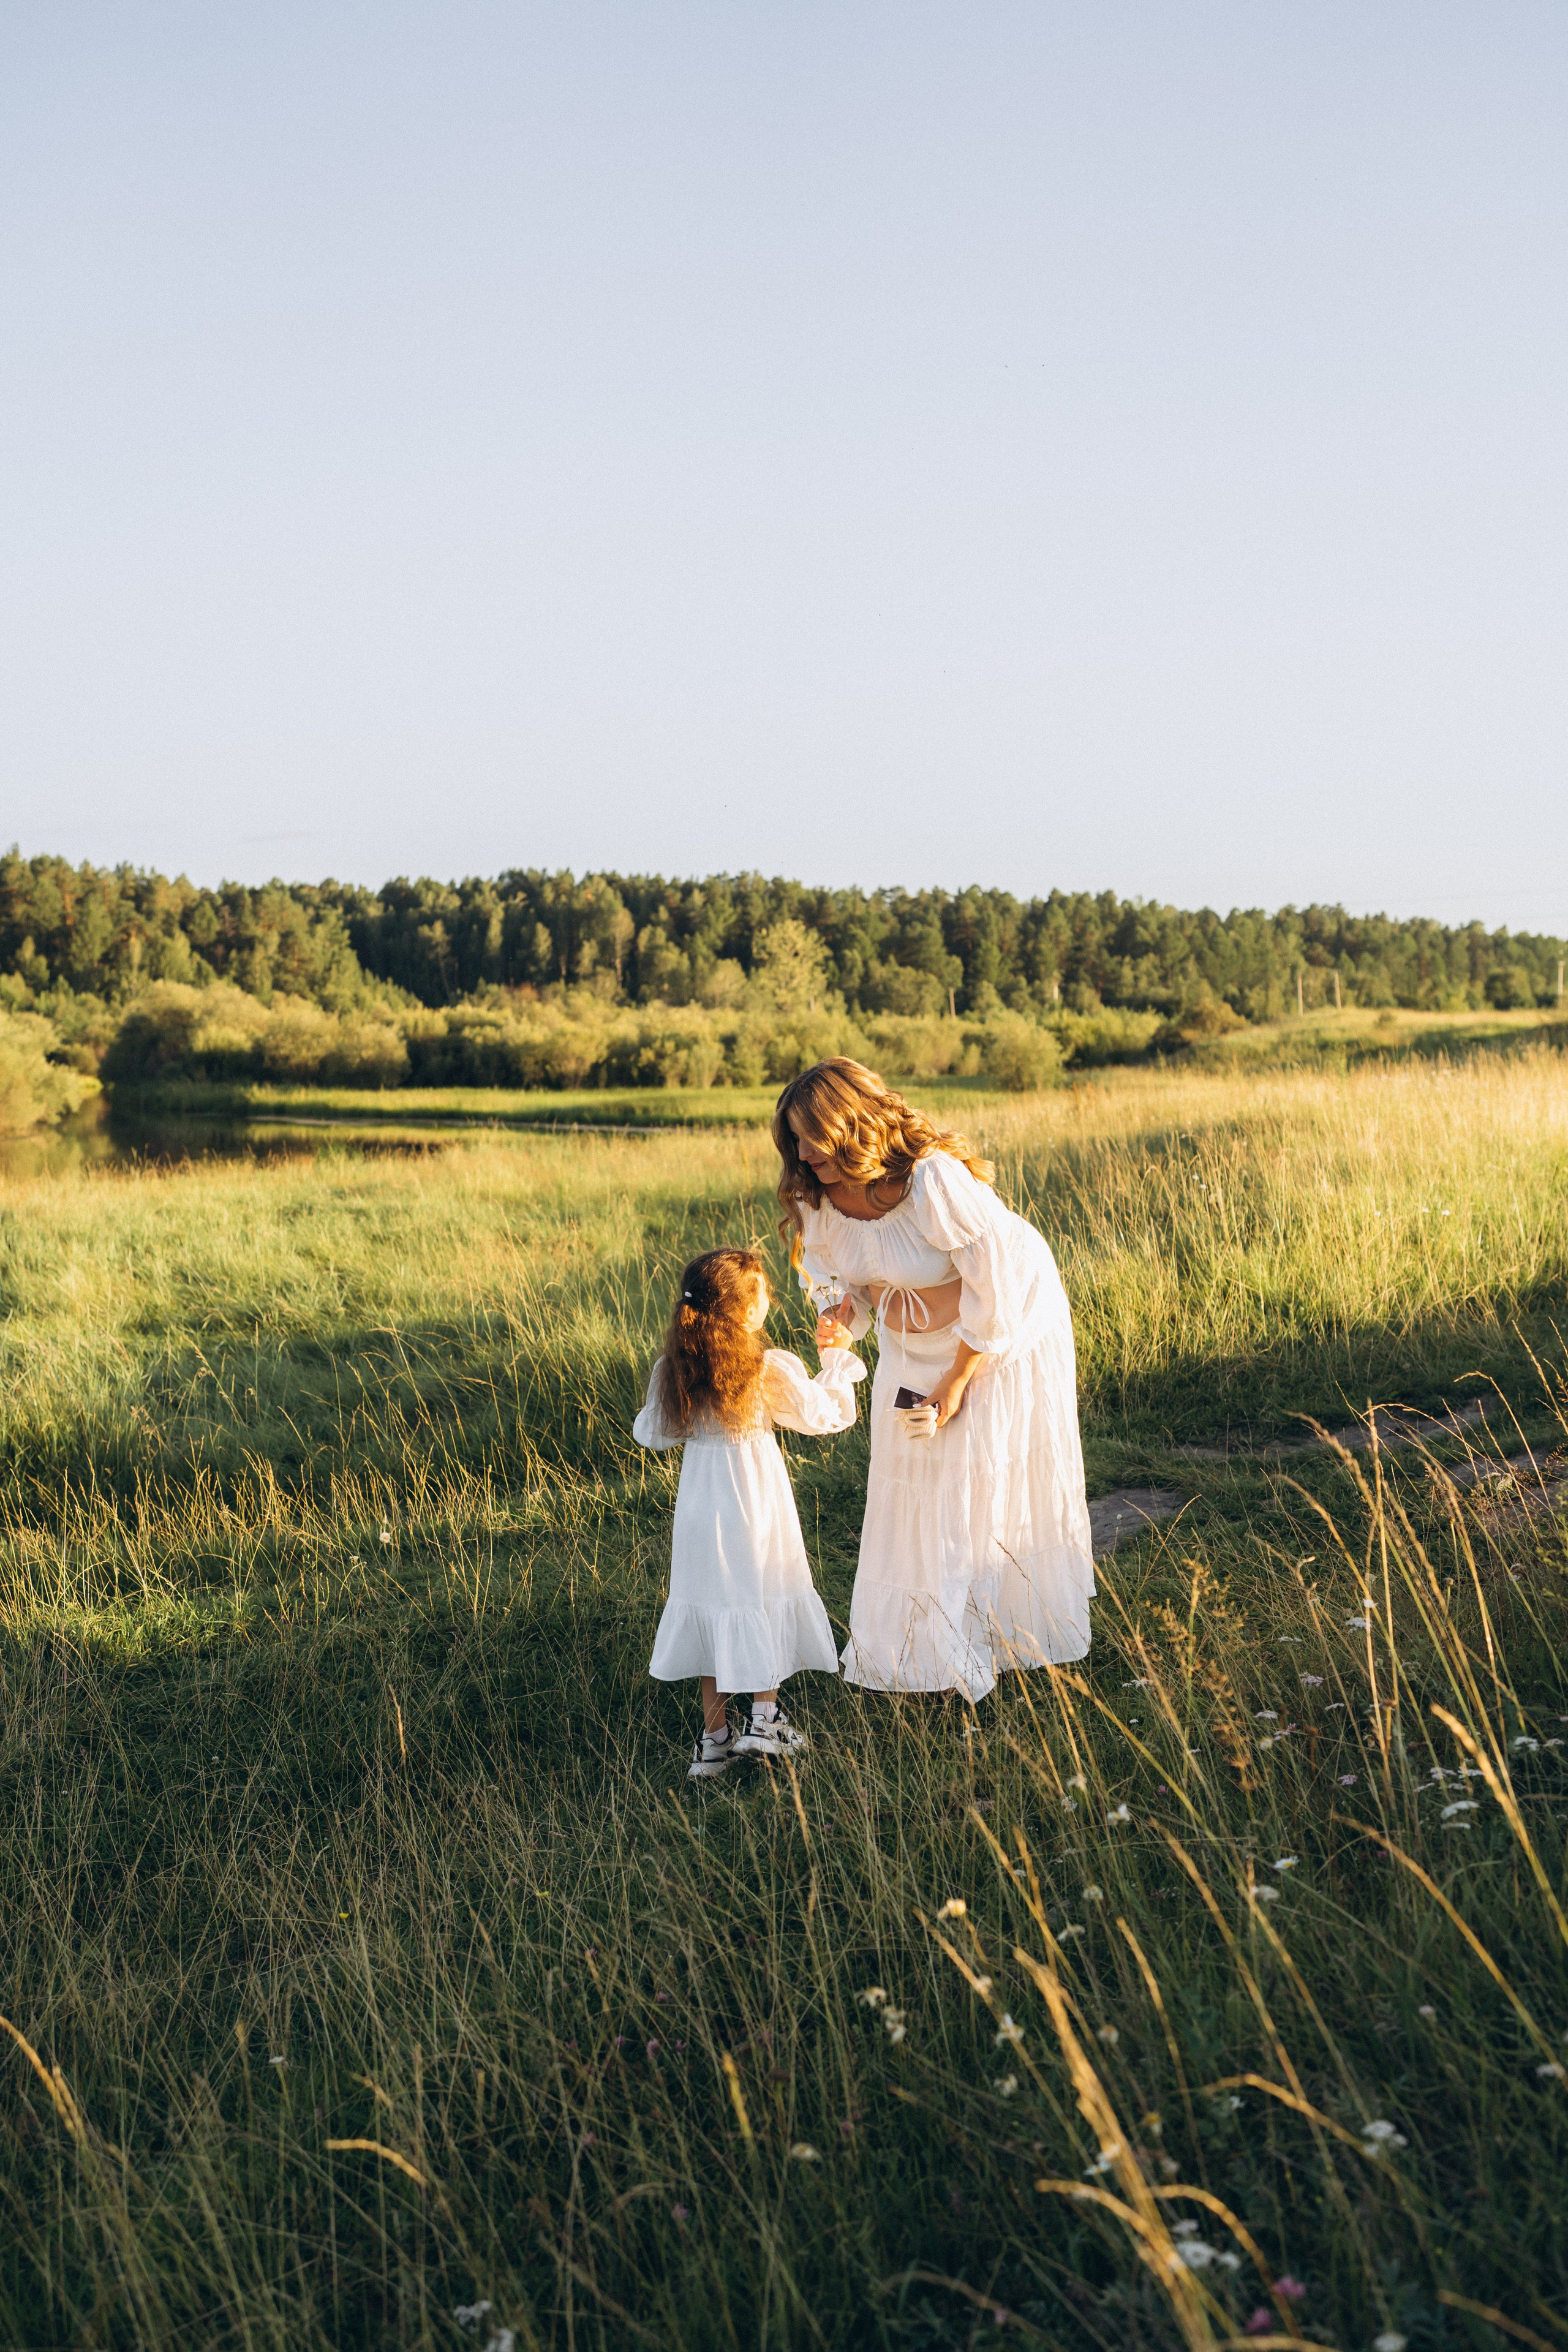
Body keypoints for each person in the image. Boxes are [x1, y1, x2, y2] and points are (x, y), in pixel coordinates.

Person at [774, 1059, 1094, 1701]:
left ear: (856, 1127)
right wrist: (842, 1316)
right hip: (910, 1341)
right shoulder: (816, 1196)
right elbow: (845, 1287)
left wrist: (958, 1378)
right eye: (796, 1141)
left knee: (976, 1470)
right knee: (914, 1478)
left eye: (816, 1137)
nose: (805, 1155)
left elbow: (994, 1283)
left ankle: (992, 1645)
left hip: (1002, 1327)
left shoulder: (930, 1181)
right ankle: (924, 1649)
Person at [633, 1245, 864, 1779]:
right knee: (759, 1591)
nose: (769, 1300)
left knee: (712, 1605)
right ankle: (765, 1717)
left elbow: (652, 1434)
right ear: (745, 1309)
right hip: (754, 1497)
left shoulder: (676, 1366)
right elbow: (823, 1416)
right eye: (762, 1292)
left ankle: (714, 1741)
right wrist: (837, 1365)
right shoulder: (766, 1366)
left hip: (700, 1502)